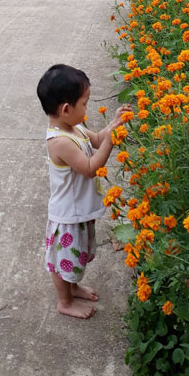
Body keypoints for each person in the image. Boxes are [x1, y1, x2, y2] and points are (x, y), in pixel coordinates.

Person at [37, 63, 129, 319]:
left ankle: (73, 287)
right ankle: (64, 301)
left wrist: (112, 125)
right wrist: (111, 141)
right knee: (62, 261)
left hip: (78, 211)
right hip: (67, 217)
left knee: (74, 259)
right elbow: (89, 167)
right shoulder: (60, 142)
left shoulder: (74, 128)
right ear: (66, 109)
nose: (87, 108)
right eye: (85, 103)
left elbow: (97, 139)